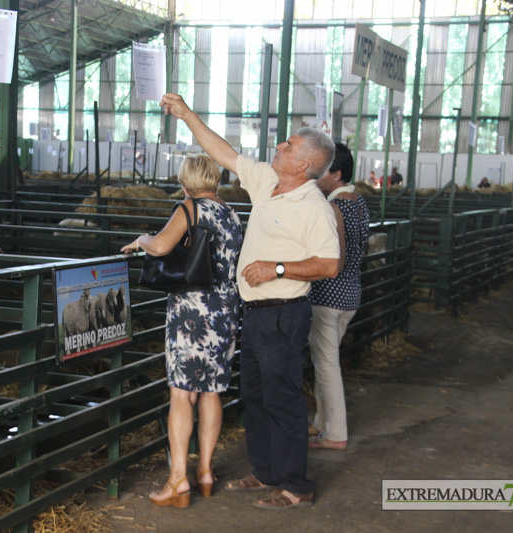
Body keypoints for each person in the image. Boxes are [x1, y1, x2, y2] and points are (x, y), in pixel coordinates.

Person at [160, 93, 340, 510]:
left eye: (289, 147)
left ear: (304, 165)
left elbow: (329, 264)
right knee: (255, 396)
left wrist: (277, 269)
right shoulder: (267, 182)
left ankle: (296, 484)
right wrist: (188, 115)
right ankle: (265, 471)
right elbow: (223, 152)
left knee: (284, 398)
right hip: (254, 312)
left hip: (283, 312)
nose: (280, 146)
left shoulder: (314, 205)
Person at [122, 155, 244, 508]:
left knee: (181, 393)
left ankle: (178, 480)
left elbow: (161, 246)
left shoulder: (190, 207)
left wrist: (141, 239)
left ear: (186, 178)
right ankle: (205, 472)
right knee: (211, 391)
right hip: (225, 310)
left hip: (192, 311)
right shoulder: (232, 214)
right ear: (215, 177)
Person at [306, 143, 370, 451]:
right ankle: (321, 422)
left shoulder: (333, 207)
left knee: (327, 365)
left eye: (323, 170)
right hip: (350, 295)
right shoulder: (358, 202)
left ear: (337, 174)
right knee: (325, 362)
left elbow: (334, 259)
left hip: (328, 296)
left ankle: (335, 433)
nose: (318, 175)